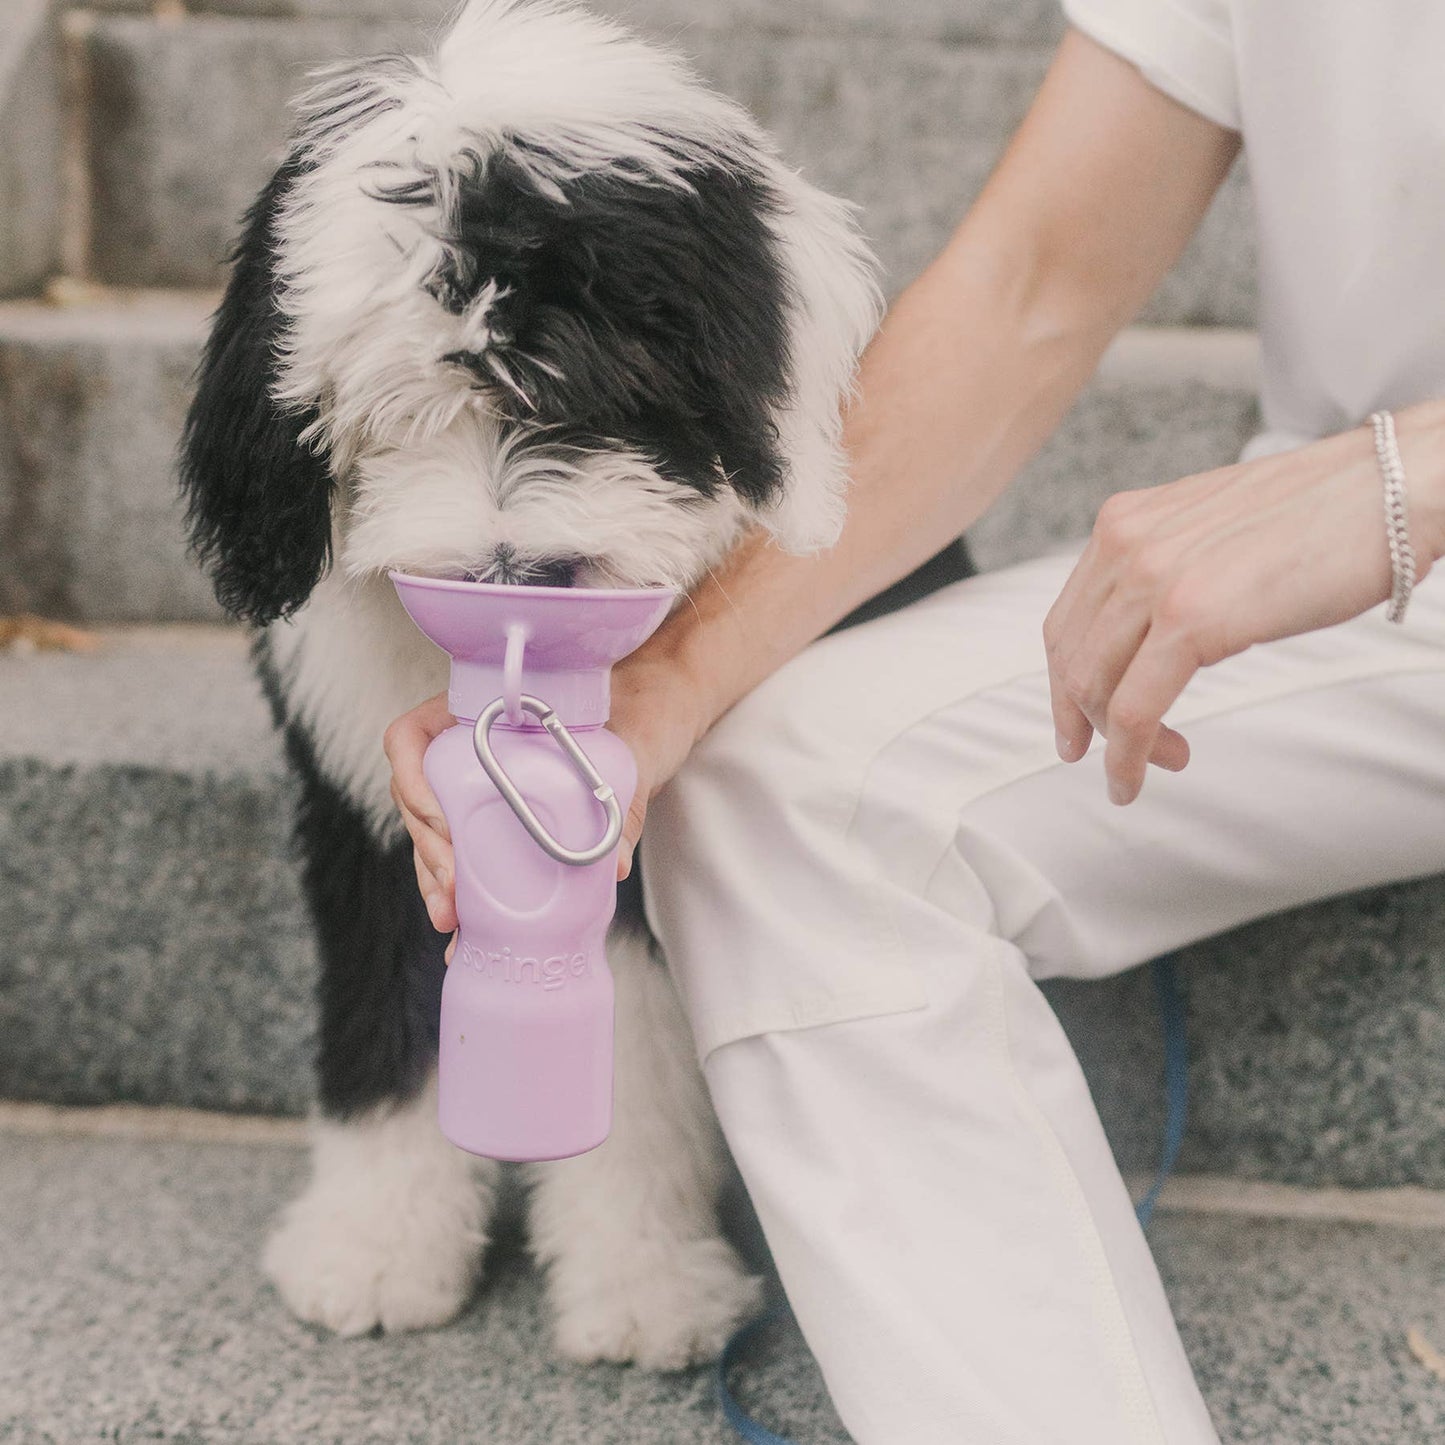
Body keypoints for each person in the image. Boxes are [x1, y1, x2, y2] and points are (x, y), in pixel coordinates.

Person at [386, 4, 1445, 1440]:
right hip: (1359, 577)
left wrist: (1408, 473)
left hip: (1380, 507)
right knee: (778, 780)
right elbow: (1029, 283)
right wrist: (671, 679)